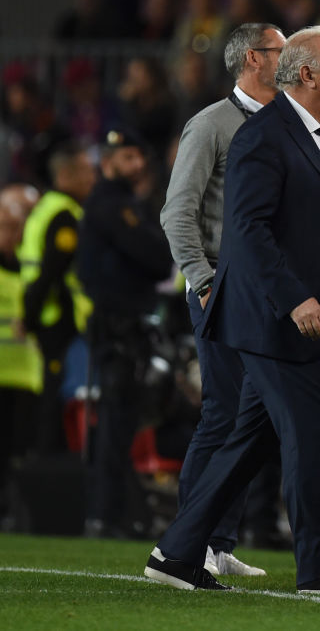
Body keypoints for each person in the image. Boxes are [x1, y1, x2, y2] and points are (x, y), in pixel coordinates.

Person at [143, 26, 320, 594]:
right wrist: (294, 296)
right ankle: (318, 567)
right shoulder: (262, 137)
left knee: (251, 439)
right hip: (271, 318)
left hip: (291, 318)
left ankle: (175, 552)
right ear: (306, 75)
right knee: (309, 430)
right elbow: (247, 231)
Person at [160, 22, 285, 577]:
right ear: (254, 60)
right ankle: (193, 541)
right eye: (282, 51)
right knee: (222, 413)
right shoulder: (210, 124)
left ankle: (220, 539)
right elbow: (176, 211)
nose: (291, 58)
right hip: (220, 289)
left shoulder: (283, 125)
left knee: (249, 419)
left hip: (266, 292)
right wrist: (204, 280)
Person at [79, 129, 174, 538]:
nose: (137, 165)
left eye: (140, 157)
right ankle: (105, 515)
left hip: (124, 329)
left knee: (121, 426)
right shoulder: (111, 205)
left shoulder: (124, 203)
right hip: (118, 330)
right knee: (116, 426)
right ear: (110, 159)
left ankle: (111, 513)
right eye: (128, 156)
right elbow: (155, 257)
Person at [18, 142, 95, 454]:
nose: (93, 179)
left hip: (46, 318)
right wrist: (29, 317)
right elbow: (51, 273)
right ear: (66, 175)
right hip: (55, 319)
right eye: (87, 172)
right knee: (53, 398)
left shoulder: (47, 207)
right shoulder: (64, 215)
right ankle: (49, 466)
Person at [0, 185, 43, 524]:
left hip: (25, 375)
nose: (15, 230)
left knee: (18, 455)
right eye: (8, 222)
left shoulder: (31, 264)